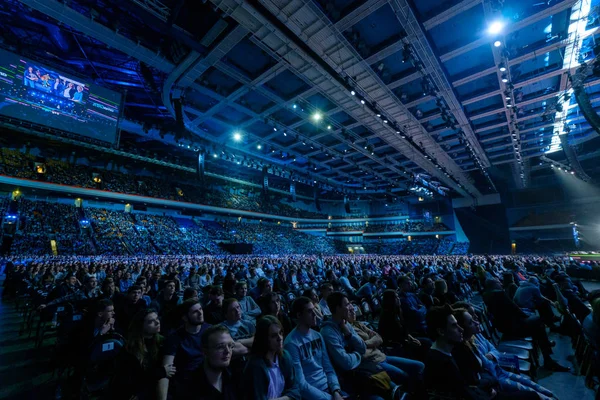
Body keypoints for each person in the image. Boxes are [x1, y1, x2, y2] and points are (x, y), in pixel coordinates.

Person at [453, 306, 555, 400]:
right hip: (496, 375)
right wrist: (492, 356)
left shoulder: (477, 335)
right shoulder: (467, 346)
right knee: (535, 394)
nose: (477, 319)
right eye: (472, 320)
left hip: (498, 366)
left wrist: (492, 355)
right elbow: (485, 364)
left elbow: (493, 349)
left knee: (537, 385)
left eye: (475, 316)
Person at [483, 278, 569, 371]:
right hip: (512, 327)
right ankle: (548, 358)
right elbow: (514, 308)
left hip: (504, 326)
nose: (500, 283)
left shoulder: (486, 295)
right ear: (493, 284)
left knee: (537, 324)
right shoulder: (499, 293)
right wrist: (526, 316)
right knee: (538, 322)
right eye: (498, 282)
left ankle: (547, 355)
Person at [284, 296, 343, 400]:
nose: (315, 314)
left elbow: (328, 367)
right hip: (312, 395)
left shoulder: (318, 335)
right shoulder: (291, 344)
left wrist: (335, 390)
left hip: (330, 390)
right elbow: (301, 385)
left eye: (314, 310)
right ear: (299, 315)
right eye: (309, 311)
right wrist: (330, 398)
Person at [110, 309, 176, 399]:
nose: (157, 322)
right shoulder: (130, 348)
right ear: (141, 326)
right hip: (137, 392)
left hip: (155, 389)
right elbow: (132, 378)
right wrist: (161, 372)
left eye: (157, 318)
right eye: (151, 322)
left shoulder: (162, 342)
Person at [158, 299, 211, 400]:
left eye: (200, 309)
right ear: (185, 318)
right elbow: (166, 369)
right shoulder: (175, 337)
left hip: (208, 377)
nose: (200, 313)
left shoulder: (210, 330)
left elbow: (232, 345)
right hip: (186, 383)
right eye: (195, 312)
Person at [244, 316, 301, 400]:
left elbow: (295, 391)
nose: (280, 338)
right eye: (274, 336)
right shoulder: (256, 366)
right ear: (264, 339)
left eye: (281, 333)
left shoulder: (285, 357)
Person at [181, 325, 241, 400]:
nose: (228, 351)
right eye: (220, 347)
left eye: (230, 346)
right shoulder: (189, 385)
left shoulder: (235, 378)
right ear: (205, 352)